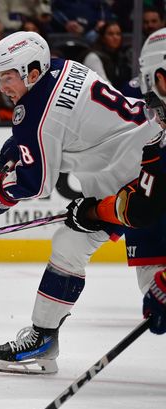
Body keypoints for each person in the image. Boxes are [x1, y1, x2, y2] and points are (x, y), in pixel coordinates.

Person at [0, 31, 159, 374]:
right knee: (69, 245)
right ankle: (43, 337)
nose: (1, 87)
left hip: (140, 179)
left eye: (8, 77)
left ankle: (43, 337)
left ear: (33, 72)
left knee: (156, 286)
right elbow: (67, 126)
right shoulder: (63, 67)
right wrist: (21, 144)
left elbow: (35, 183)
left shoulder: (36, 116)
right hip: (139, 153)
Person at [65, 27, 166, 336]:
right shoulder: (158, 146)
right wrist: (97, 212)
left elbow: (141, 209)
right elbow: (144, 206)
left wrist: (94, 212)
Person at [81, 21, 132, 90]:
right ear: (102, 37)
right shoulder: (93, 57)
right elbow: (104, 88)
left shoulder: (120, 56)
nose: (115, 37)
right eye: (110, 34)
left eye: (118, 34)